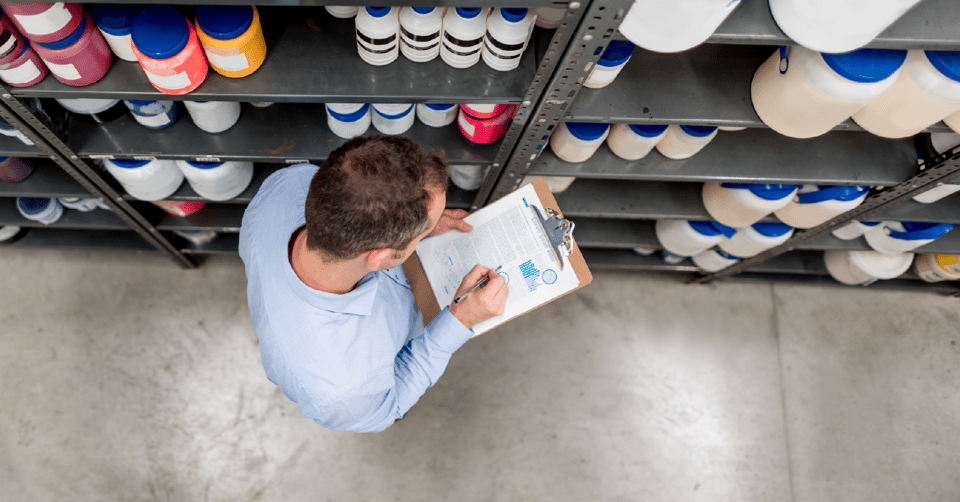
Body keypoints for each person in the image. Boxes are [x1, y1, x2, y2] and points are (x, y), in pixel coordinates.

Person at [239, 136, 508, 432]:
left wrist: (419, 226)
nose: (433, 229)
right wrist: (459, 320)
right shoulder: (342, 390)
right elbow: (390, 405)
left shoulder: (290, 183)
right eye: (425, 232)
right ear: (378, 255)